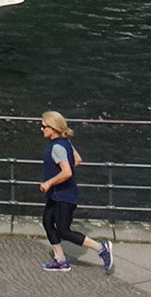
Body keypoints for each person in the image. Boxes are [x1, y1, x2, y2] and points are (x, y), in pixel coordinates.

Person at [38, 111, 113, 274]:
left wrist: (50, 182)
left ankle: (101, 248)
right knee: (47, 222)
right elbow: (77, 159)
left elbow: (67, 172)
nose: (41, 129)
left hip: (63, 196)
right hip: (57, 194)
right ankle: (60, 260)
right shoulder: (66, 142)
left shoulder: (57, 147)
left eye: (44, 126)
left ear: (53, 128)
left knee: (64, 230)